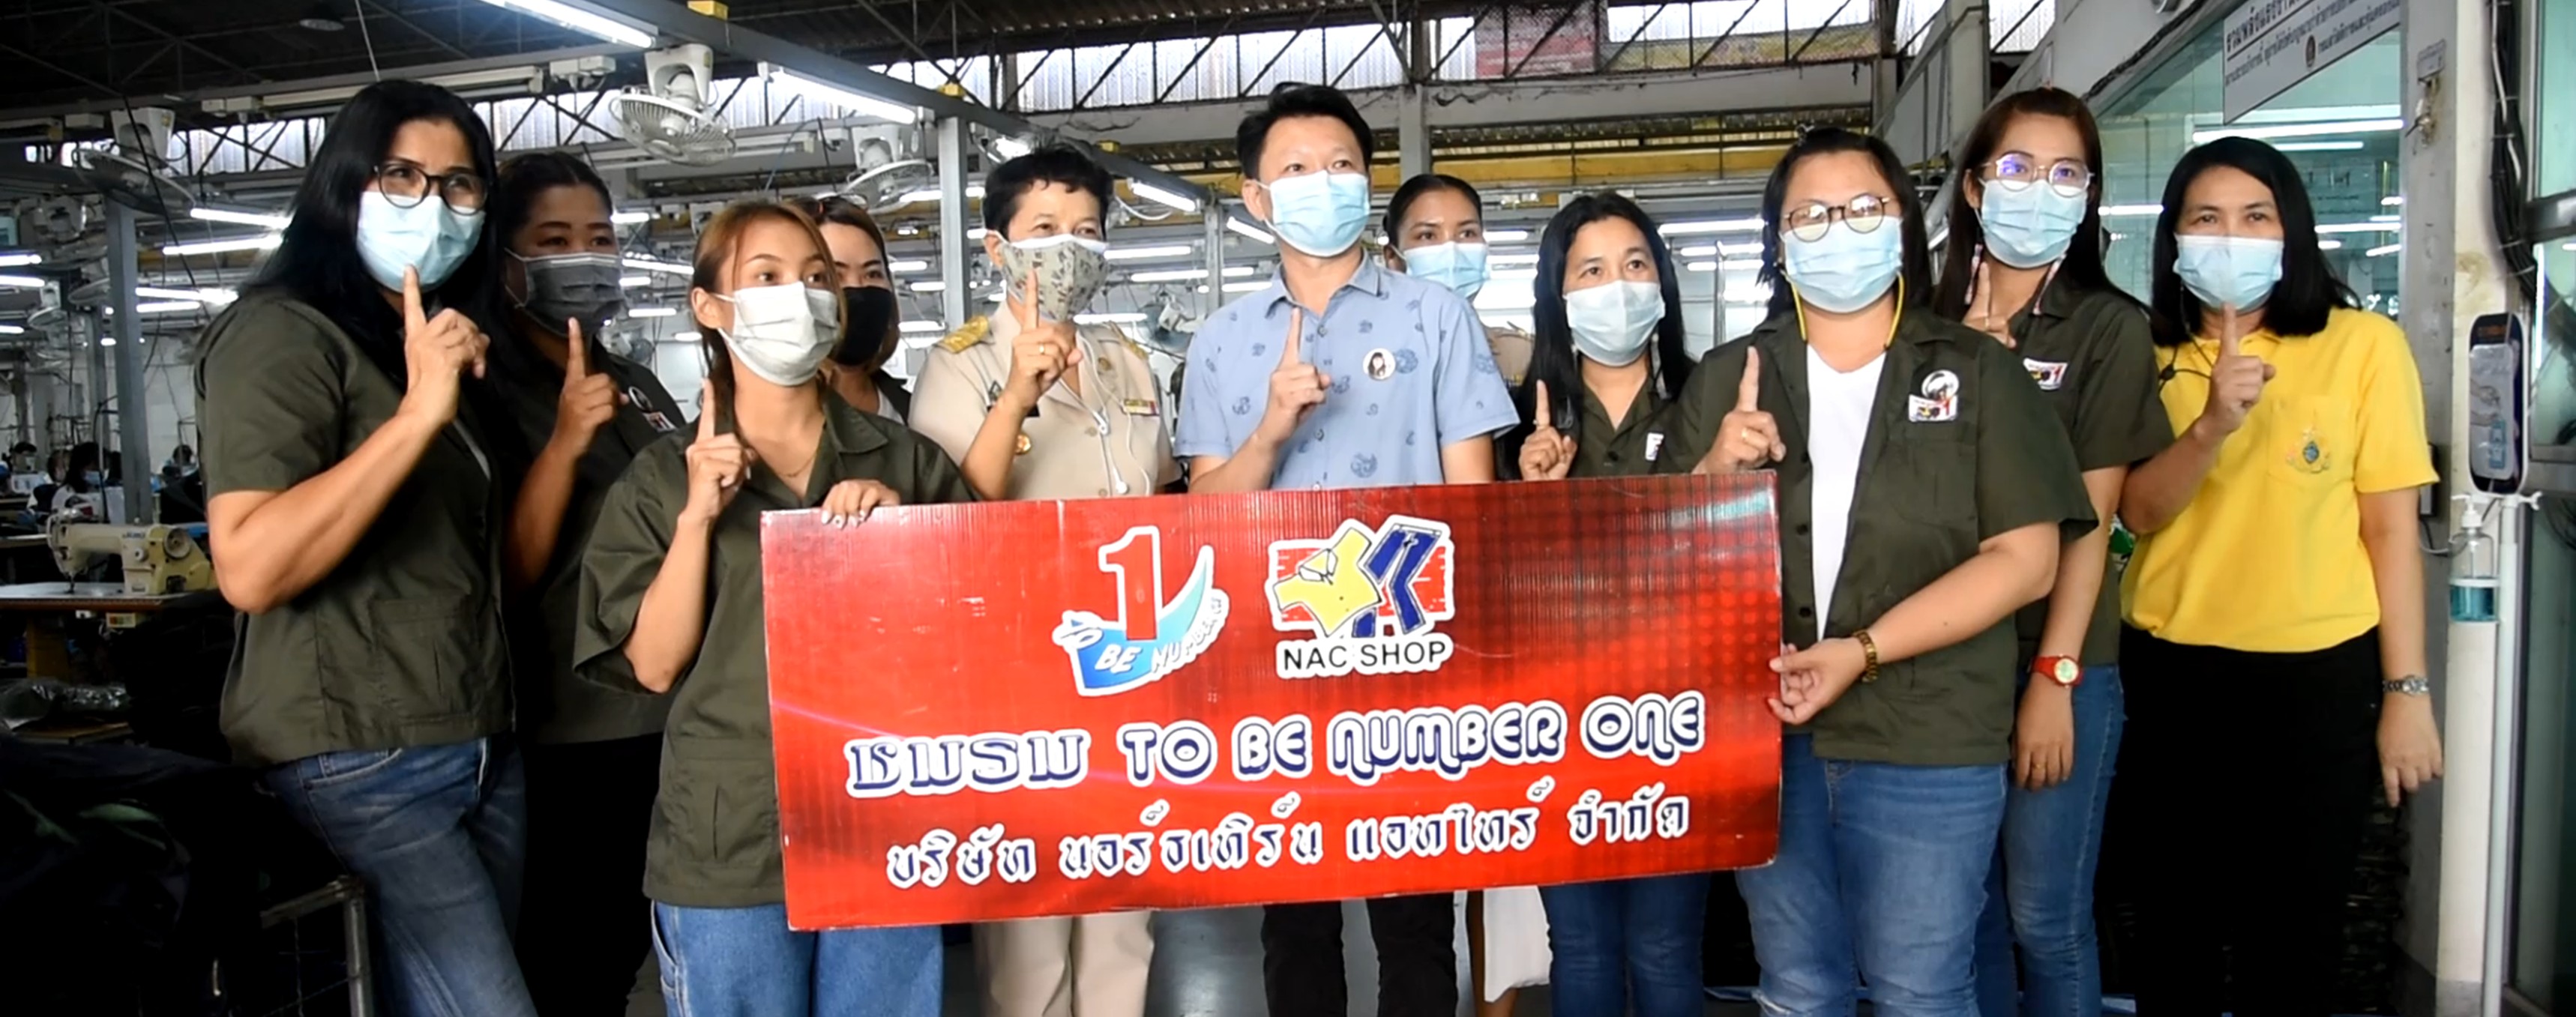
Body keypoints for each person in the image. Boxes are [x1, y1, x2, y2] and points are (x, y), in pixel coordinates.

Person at [1661, 127, 2093, 1016]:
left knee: (1920, 988)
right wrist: (1711, 473)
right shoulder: (1727, 378)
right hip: (1764, 739)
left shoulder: (1978, 372)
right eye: (1810, 215)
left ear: (1901, 224)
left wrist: (1859, 650)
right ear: (1780, 242)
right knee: (1797, 986)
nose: (1838, 229)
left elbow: (2025, 560)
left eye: (1863, 208)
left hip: (1927, 742)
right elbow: (1659, 567)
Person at [574, 199, 972, 1016]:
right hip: (731, 831)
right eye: (767, 277)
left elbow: (978, 629)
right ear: (709, 307)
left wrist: (907, 536)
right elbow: (653, 665)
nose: (802, 295)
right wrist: (697, 517)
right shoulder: (660, 479)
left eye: (817, 278)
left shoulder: (906, 461)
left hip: (885, 815)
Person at [1176, 81, 1516, 1017]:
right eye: (1295, 169)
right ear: (1256, 198)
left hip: (1410, 661)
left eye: (1340, 166)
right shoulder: (1222, 341)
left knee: (1414, 917)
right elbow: (1204, 512)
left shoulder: (1434, 317)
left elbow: (1472, 501)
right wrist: (1269, 432)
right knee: (1294, 922)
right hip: (1274, 670)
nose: (1321, 182)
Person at [193, 79, 534, 1016]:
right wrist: (418, 416)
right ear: (345, 184)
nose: (435, 204)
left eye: (460, 184)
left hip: (473, 735)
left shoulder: (413, 342)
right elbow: (250, 565)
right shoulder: (280, 334)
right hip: (358, 750)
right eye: (401, 175)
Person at [2114, 136, 2443, 1016]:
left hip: (2318, 678)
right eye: (2207, 218)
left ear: (2290, 230)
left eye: (2255, 216)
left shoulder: (2363, 346)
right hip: (2173, 674)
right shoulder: (2143, 353)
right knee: (2175, 928)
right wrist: (2210, 424)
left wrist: (2406, 691)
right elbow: (2137, 511)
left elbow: (2389, 532)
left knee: (2296, 935)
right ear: (2173, 239)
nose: (2232, 236)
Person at [906, 142, 1170, 1017]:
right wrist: (1017, 392)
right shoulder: (961, 364)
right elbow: (950, 511)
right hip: (1017, 674)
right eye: (1047, 228)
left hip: (1130, 667)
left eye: (1087, 232)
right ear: (998, 249)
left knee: (1124, 905)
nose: (1070, 248)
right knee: (1029, 916)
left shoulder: (1126, 360)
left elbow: (1163, 496)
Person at [1929, 88, 2174, 1017]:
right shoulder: (1923, 321)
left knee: (2046, 915)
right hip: (1944, 661)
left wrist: (2054, 677)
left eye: (2065, 172)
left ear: (2089, 194)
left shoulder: (2108, 328)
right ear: (1975, 187)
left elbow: (2095, 520)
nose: (2040, 188)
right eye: (2018, 167)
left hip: (2058, 657)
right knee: (1969, 914)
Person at [482, 149, 689, 1016]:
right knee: (574, 961)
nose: (584, 257)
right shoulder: (487, 388)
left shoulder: (633, 382)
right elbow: (501, 574)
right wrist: (566, 441)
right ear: (506, 261)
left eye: (599, 237)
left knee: (633, 951)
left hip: (665, 711)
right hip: (573, 724)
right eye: (554, 239)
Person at [1501, 192, 1703, 1017]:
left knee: (1665, 944)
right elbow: (1498, 590)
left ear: (1661, 281)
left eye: (1634, 264)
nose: (1616, 286)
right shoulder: (1519, 427)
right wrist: (1533, 497)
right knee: (1580, 944)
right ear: (1557, 294)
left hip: (1683, 715)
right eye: (1590, 270)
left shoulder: (1709, 401)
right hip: (1562, 719)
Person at [1383, 173, 1536, 387]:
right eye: (1427, 235)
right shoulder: (1367, 356)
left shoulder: (1523, 357)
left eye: (1467, 233)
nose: (1452, 251)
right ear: (1392, 258)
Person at [789, 195, 910, 423]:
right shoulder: (768, 421)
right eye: (833, 276)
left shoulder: (917, 412)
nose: (858, 289)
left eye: (872, 274)